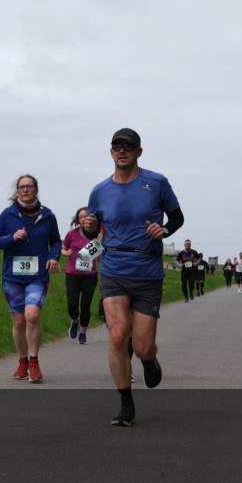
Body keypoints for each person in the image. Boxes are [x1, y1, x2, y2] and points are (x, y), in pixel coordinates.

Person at [81, 128, 183, 427]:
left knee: (142, 346)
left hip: (147, 270)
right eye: (116, 146)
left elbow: (176, 217)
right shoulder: (100, 190)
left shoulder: (157, 182)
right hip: (113, 267)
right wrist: (88, 226)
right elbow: (93, 230)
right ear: (111, 152)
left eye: (128, 146)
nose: (121, 151)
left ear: (139, 151)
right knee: (116, 335)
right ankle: (126, 404)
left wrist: (164, 230)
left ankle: (148, 360)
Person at [0, 176, 61, 382]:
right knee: (19, 321)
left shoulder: (48, 216)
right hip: (12, 276)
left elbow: (55, 241)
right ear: (17, 191)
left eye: (29, 186)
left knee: (32, 315)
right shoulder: (7, 214)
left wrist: (53, 257)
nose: (25, 190)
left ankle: (34, 362)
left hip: (37, 276)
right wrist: (11, 238)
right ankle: (22, 361)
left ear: (36, 189)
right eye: (22, 187)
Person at [61, 206, 103, 346]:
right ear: (78, 220)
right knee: (72, 305)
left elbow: (100, 252)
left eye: (86, 216)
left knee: (85, 304)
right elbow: (63, 248)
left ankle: (83, 333)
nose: (84, 218)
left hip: (90, 275)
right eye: (81, 217)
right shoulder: (71, 234)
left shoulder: (98, 234)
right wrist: (67, 253)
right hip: (72, 274)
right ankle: (75, 320)